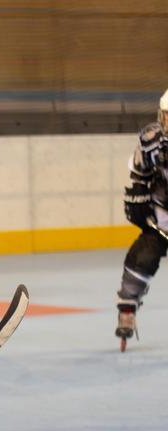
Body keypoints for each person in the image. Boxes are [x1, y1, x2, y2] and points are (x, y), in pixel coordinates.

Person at [114, 88, 168, 350]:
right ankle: (127, 308)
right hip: (161, 217)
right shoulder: (152, 140)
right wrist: (138, 198)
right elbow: (140, 174)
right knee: (141, 259)